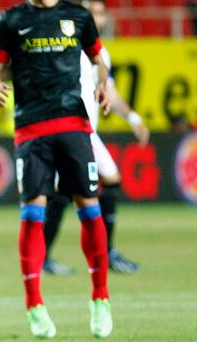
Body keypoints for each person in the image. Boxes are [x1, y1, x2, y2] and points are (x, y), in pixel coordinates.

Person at [0, 0, 113, 339]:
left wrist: (104, 84)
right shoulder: (11, 20)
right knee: (32, 213)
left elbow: (100, 61)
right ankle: (34, 305)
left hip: (74, 123)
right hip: (31, 128)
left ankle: (100, 298)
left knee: (89, 205)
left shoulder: (79, 17)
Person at [43, 0, 150, 275]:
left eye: (101, 13)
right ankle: (101, 253)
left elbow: (109, 91)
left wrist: (134, 119)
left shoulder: (100, 52)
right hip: (70, 129)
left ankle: (97, 253)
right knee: (73, 188)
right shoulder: (67, 47)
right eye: (92, 12)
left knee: (74, 189)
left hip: (87, 132)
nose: (97, 17)